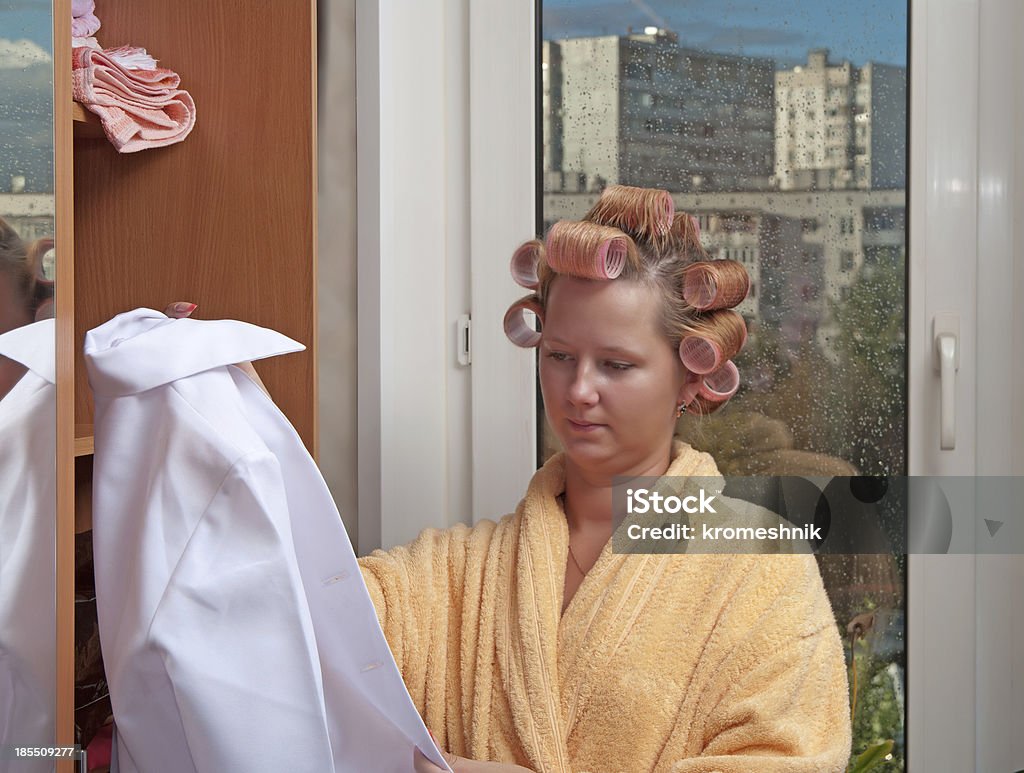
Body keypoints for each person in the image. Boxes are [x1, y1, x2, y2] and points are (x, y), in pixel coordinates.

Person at [359, 185, 852, 772]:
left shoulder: (760, 568)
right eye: (560, 356)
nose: (578, 390)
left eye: (616, 365)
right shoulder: (454, 577)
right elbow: (299, 617)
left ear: (691, 376)